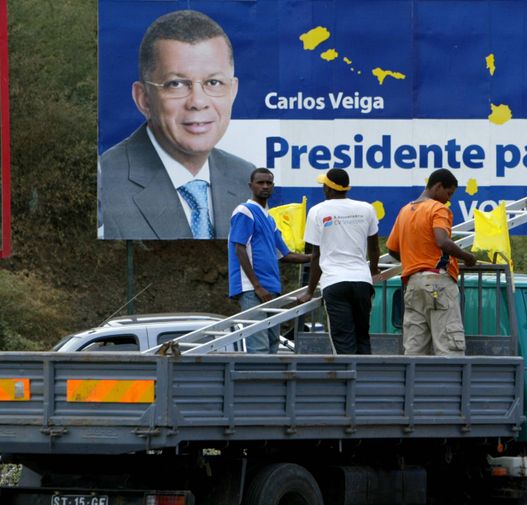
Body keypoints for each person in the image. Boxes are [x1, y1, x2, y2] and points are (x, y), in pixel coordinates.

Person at [99, 10, 254, 240]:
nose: (198, 102)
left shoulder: (246, 177)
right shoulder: (104, 188)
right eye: (177, 84)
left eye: (214, 82)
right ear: (144, 98)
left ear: (233, 91)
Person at [386, 169, 476, 356]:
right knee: (449, 347)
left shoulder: (405, 211)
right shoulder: (438, 208)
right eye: (448, 193)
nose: (448, 199)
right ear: (438, 186)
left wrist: (413, 261)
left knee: (415, 350)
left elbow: (392, 249)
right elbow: (442, 241)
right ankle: (450, 385)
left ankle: (414, 385)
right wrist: (468, 258)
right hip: (438, 283)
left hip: (412, 285)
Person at [297, 169, 380, 354]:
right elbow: (374, 248)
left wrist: (310, 291)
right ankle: (365, 379)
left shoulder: (317, 211)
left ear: (328, 189)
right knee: (362, 336)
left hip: (335, 282)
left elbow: (316, 255)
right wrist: (373, 270)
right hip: (362, 281)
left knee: (343, 340)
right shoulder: (366, 208)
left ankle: (348, 379)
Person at [228, 168, 310, 353]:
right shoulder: (245, 211)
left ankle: (271, 382)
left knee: (273, 344)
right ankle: (259, 382)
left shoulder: (270, 218)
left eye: (269, 183)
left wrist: (316, 257)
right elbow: (239, 248)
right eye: (260, 182)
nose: (265, 186)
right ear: (251, 186)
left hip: (271, 288)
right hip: (252, 289)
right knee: (259, 346)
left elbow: (285, 254)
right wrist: (257, 286)